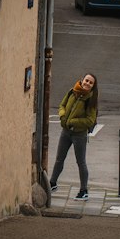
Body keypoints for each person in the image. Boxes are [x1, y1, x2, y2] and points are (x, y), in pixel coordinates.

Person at [49, 72, 98, 200]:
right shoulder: (72, 92)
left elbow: (90, 120)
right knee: (59, 159)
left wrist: (72, 122)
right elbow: (62, 105)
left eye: (90, 82)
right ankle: (52, 183)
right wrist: (62, 116)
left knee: (81, 162)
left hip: (79, 135)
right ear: (82, 80)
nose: (87, 83)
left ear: (93, 86)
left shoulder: (90, 100)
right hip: (66, 132)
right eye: (86, 80)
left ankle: (84, 190)